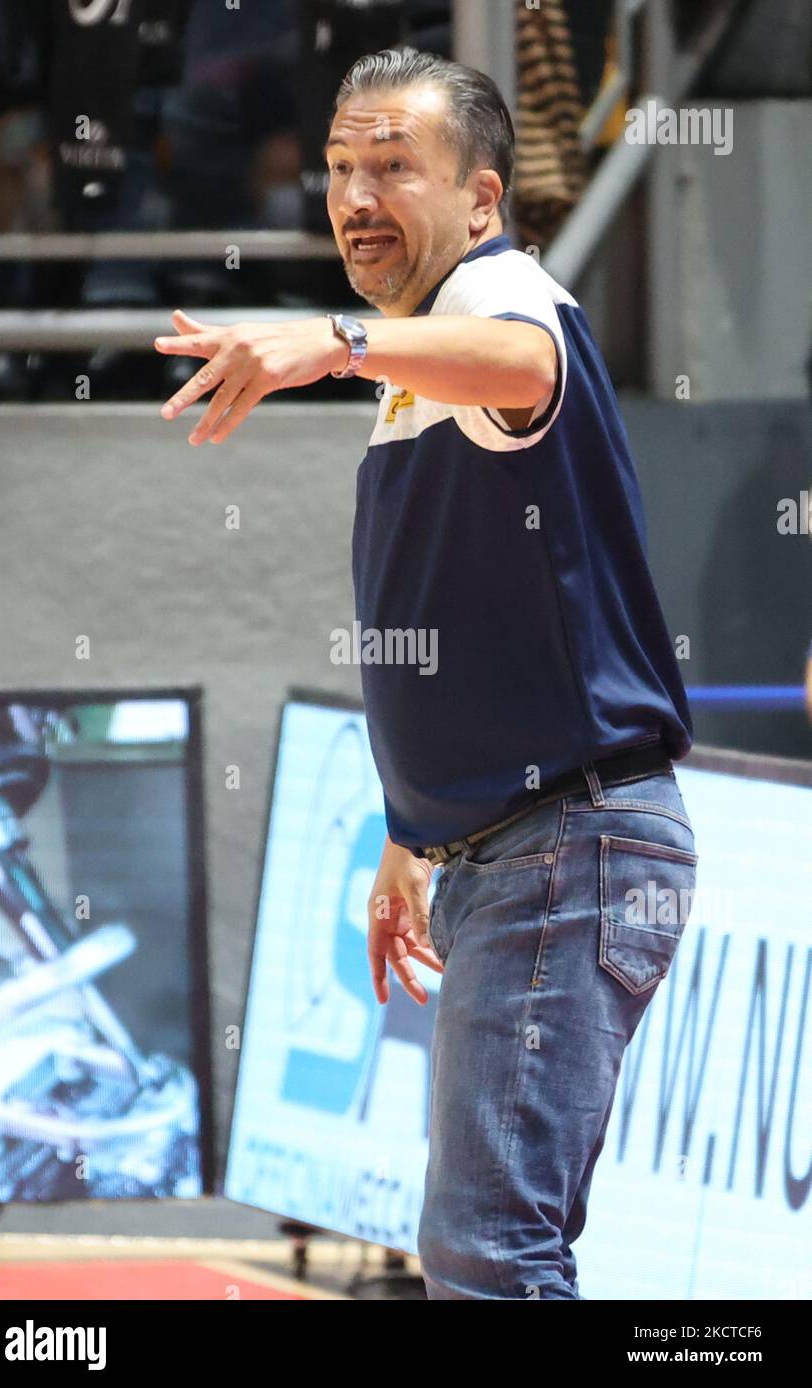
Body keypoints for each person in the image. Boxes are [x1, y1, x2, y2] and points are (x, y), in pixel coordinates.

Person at [154, 46, 698, 1301]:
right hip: (512, 847)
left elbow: (528, 365)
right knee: (481, 1247)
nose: (354, 193)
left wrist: (336, 343)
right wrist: (415, 834)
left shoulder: (504, 302)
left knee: (486, 1251)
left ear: (481, 200)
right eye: (341, 167)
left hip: (575, 842)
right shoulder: (416, 360)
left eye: (393, 166)